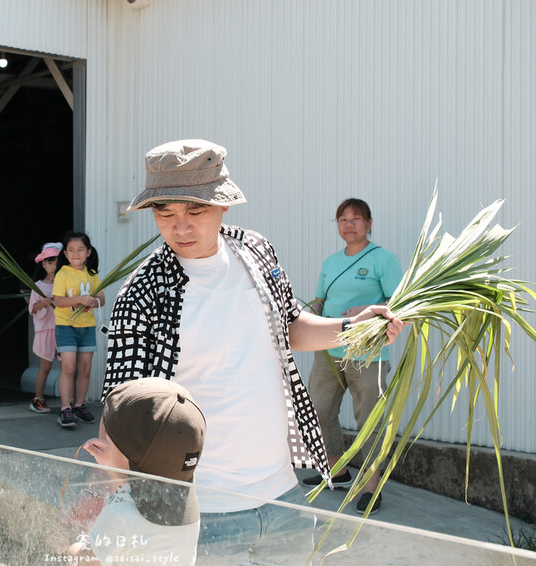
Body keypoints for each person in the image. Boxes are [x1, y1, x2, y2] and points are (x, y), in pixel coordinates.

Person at [102, 139, 404, 564]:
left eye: (195, 212)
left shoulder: (255, 251)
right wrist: (112, 499)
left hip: (284, 497)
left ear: (223, 204)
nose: (180, 228)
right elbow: (121, 403)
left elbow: (290, 326)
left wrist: (354, 329)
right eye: (165, 214)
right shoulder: (143, 291)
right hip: (203, 510)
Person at [301, 198, 403, 515]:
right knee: (319, 410)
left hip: (367, 355)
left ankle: (372, 485)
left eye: (356, 218)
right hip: (328, 352)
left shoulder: (382, 259)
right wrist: (305, 316)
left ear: (369, 223)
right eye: (343, 219)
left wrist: (367, 310)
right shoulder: (331, 262)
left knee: (369, 420)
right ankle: (337, 470)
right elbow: (320, 300)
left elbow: (399, 302)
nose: (349, 224)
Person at [67, 378, 205, 565]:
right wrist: (113, 459)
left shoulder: (121, 514)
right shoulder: (185, 499)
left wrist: (76, 540)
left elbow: (85, 561)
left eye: (107, 439)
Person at [52, 231, 105, 428]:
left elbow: (101, 299)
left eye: (81, 250)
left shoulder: (92, 275)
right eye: (71, 250)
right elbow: (58, 301)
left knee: (85, 369)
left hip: (87, 327)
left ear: (88, 252)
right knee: (68, 368)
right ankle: (66, 408)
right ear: (65, 254)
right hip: (66, 327)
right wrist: (79, 299)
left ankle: (80, 405)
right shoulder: (62, 274)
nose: (76, 254)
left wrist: (92, 301)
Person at [27, 242, 62, 413]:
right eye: (49, 262)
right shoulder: (38, 286)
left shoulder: (64, 283)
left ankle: (68, 401)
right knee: (45, 366)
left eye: (56, 261)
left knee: (66, 367)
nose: (53, 265)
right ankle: (38, 398)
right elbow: (32, 309)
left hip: (62, 328)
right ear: (43, 264)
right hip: (45, 330)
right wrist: (44, 303)